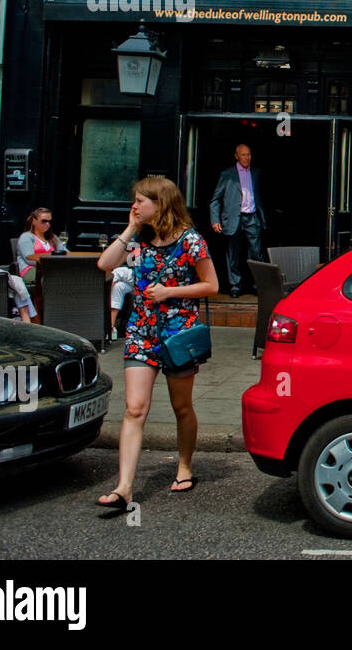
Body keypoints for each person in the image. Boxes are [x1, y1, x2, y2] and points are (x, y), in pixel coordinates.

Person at [95, 176, 218, 508]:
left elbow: (211, 285)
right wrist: (130, 228)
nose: (134, 206)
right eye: (133, 200)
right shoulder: (138, 241)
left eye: (140, 201)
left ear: (160, 204)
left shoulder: (191, 242)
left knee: (181, 407)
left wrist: (169, 292)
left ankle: (185, 465)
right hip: (141, 332)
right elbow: (104, 265)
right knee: (135, 409)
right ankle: (124, 486)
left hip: (178, 332)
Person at [209, 143, 266, 298]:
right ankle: (235, 285)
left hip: (252, 217)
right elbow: (215, 200)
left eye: (249, 154)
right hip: (233, 218)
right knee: (233, 254)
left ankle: (257, 285)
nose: (247, 158)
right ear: (236, 156)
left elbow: (260, 196)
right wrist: (215, 220)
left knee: (256, 253)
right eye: (243, 155)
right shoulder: (227, 174)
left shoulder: (256, 173)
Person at [16, 207, 60, 285]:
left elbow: (65, 253)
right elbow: (29, 260)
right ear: (34, 221)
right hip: (30, 270)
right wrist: (52, 264)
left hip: (50, 269)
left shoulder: (53, 237)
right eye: (44, 221)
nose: (48, 224)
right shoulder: (26, 237)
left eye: (49, 221)